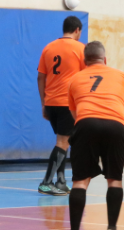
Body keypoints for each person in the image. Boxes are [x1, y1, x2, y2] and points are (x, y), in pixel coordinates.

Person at [63, 41, 124, 230]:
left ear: (84, 61)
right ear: (105, 59)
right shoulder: (120, 75)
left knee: (80, 181)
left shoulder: (74, 79)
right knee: (114, 180)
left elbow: (75, 114)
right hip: (115, 126)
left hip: (85, 123)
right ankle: (112, 229)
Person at [36, 16, 86, 196]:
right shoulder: (81, 49)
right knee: (63, 142)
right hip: (67, 103)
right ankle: (46, 182)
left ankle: (61, 181)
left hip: (51, 102)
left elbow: (41, 77)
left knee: (65, 142)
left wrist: (43, 103)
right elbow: (87, 77)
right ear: (77, 30)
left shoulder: (48, 48)